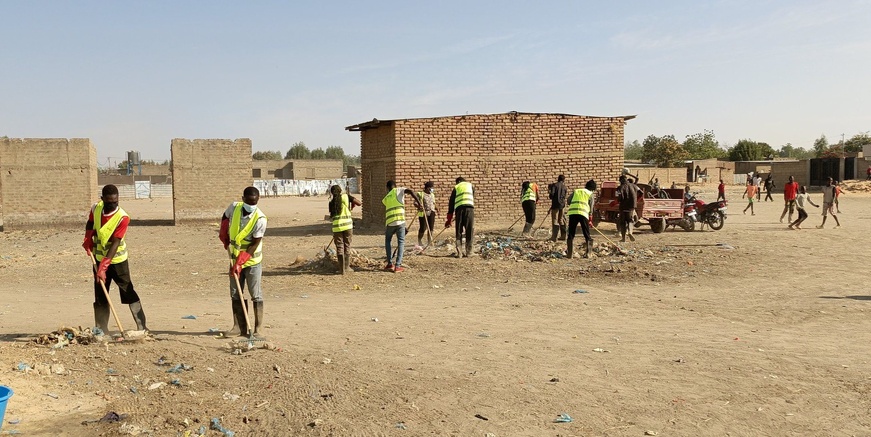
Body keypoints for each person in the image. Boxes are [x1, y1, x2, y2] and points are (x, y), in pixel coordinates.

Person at [83, 184, 149, 334]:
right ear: (103, 200)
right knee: (100, 294)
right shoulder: (96, 208)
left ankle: (142, 327)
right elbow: (91, 222)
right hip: (98, 258)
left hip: (118, 261)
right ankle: (101, 329)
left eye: (115, 201)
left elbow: (116, 242)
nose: (113, 204)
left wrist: (104, 267)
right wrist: (88, 238)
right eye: (109, 202)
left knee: (128, 290)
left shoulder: (123, 217)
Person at [219, 186, 268, 338]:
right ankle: (238, 327)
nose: (252, 205)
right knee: (235, 293)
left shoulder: (260, 218)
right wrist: (224, 231)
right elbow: (225, 217)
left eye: (255, 202)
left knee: (256, 294)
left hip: (251, 261)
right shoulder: (234, 207)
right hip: (234, 258)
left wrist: (240, 263)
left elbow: (255, 244)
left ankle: (258, 330)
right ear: (243, 199)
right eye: (249, 201)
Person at [383, 180, 422, 272]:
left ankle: (389, 263)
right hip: (400, 221)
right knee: (401, 242)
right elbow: (411, 192)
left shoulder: (386, 198)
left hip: (390, 222)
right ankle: (397, 265)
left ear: (387, 188)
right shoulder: (399, 190)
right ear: (395, 186)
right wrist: (419, 204)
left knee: (388, 241)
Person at [329, 184, 361, 274]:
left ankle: (341, 269)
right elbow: (359, 203)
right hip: (347, 226)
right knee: (347, 245)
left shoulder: (331, 203)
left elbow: (332, 215)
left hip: (337, 227)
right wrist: (351, 204)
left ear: (332, 193)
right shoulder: (346, 197)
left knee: (339, 247)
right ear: (340, 191)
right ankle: (347, 267)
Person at [445, 177, 475, 257]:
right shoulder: (470, 185)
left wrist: (449, 220)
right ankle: (469, 252)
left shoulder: (456, 187)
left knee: (459, 231)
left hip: (459, 211)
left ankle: (460, 253)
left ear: (458, 182)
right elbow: (472, 196)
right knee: (469, 230)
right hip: (470, 209)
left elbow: (451, 204)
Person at [566, 179, 596, 258]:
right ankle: (589, 253)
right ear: (593, 189)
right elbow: (591, 208)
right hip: (583, 214)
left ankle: (570, 254)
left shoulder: (576, 191)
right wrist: (590, 220)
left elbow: (568, 201)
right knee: (586, 233)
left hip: (572, 213)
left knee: (571, 233)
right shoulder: (590, 194)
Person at [616, 175, 639, 242]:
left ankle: (623, 238)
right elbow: (641, 192)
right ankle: (630, 232)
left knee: (622, 222)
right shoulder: (634, 186)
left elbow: (619, 197)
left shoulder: (619, 188)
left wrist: (616, 202)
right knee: (630, 220)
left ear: (621, 181)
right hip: (631, 206)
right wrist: (635, 200)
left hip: (623, 207)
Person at [416, 181, 437, 247]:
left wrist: (437, 208)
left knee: (431, 228)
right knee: (423, 228)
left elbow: (433, 203)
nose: (432, 189)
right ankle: (419, 240)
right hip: (423, 213)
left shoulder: (432, 194)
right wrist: (419, 206)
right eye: (431, 188)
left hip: (432, 212)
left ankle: (429, 242)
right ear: (428, 188)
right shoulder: (420, 194)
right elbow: (415, 203)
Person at [548, 175, 568, 242]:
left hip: (555, 205)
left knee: (554, 219)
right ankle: (563, 236)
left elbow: (552, 195)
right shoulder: (565, 187)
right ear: (563, 180)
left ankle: (554, 237)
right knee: (561, 220)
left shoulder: (554, 185)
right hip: (562, 205)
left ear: (558, 179)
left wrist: (549, 192)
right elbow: (564, 197)